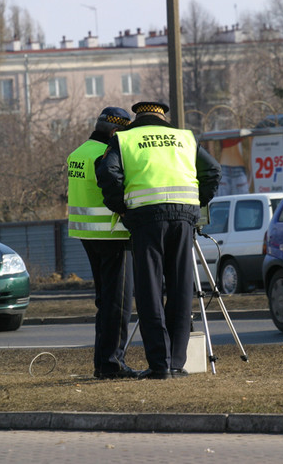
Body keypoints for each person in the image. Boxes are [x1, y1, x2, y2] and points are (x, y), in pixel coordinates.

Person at [96, 100, 221, 380]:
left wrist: (120, 206)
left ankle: (159, 365)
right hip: (184, 217)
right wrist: (197, 203)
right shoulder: (184, 137)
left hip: (145, 219)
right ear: (163, 117)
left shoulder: (125, 139)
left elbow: (107, 173)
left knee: (150, 290)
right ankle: (177, 363)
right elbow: (213, 171)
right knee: (181, 288)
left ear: (138, 116)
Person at [67, 106, 139, 380]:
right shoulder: (105, 154)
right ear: (114, 131)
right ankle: (111, 364)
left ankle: (103, 363)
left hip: (87, 234)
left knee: (106, 301)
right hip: (113, 235)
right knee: (118, 303)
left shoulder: (78, 153)